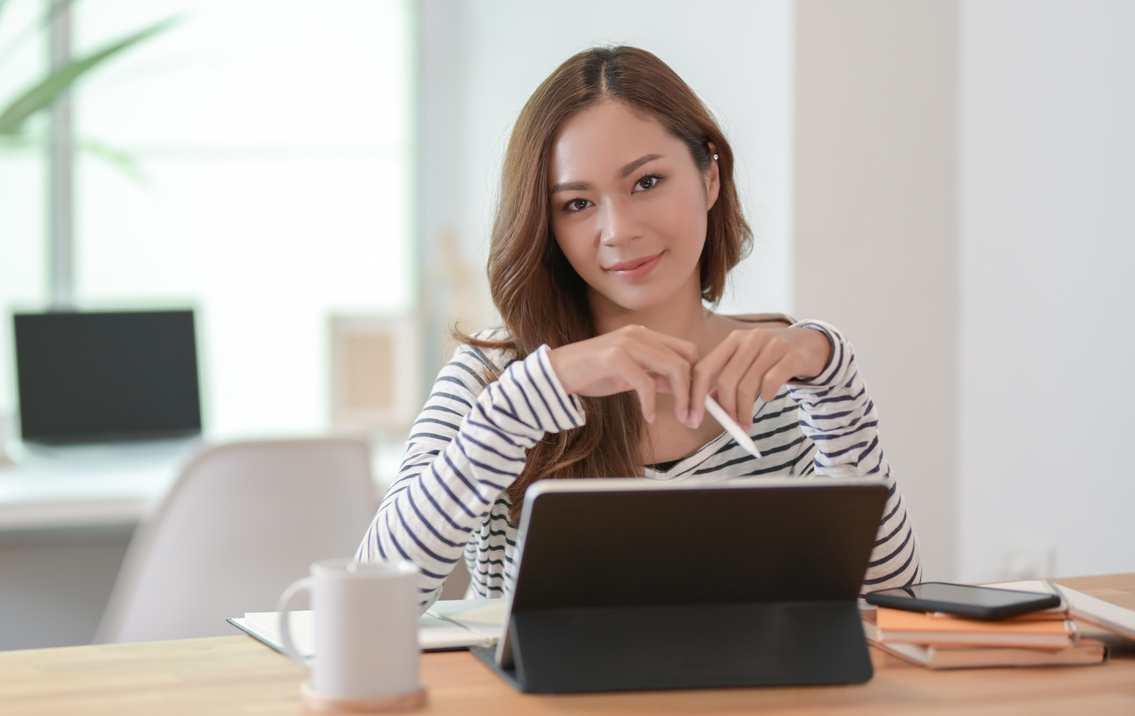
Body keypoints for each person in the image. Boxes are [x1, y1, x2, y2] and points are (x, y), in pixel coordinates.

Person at [356, 46, 921, 602]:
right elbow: (375, 595)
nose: (618, 230)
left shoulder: (780, 371)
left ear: (709, 176)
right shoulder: (495, 377)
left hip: (752, 696)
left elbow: (892, 597)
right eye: (577, 204)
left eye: (646, 182)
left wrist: (832, 375)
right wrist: (536, 392)